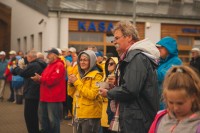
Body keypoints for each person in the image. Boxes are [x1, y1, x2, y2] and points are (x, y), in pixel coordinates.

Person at [99, 20, 160, 133]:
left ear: (129, 37)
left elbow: (130, 90)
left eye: (117, 38)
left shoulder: (136, 57)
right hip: (136, 117)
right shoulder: (134, 57)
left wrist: (109, 93)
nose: (114, 42)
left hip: (137, 120)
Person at [149, 66, 200, 133]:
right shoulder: (160, 119)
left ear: (193, 97)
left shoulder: (197, 125)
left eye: (180, 103)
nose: (175, 108)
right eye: (171, 102)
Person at [68, 50, 104, 133]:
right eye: (80, 60)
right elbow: (71, 94)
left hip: (90, 116)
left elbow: (92, 95)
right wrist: (70, 84)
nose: (82, 62)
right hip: (78, 113)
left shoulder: (97, 75)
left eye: (85, 60)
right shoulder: (79, 74)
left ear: (91, 61)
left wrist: (76, 82)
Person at [31, 48, 66, 133]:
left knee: (53, 121)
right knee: (43, 119)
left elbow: (53, 80)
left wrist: (40, 78)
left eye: (49, 54)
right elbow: (45, 78)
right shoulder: (49, 65)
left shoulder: (59, 65)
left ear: (55, 55)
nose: (47, 56)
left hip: (53, 98)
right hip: (45, 97)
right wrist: (38, 79)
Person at [12, 50, 47, 133]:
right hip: (34, 92)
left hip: (31, 93)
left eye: (26, 57)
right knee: (33, 116)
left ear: (30, 57)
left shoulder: (34, 65)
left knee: (29, 116)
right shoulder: (39, 64)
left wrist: (16, 68)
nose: (25, 59)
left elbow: (23, 73)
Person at [156, 36, 182, 109]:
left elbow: (163, 75)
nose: (158, 49)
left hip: (166, 102)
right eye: (158, 47)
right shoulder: (160, 61)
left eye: (161, 47)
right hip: (157, 100)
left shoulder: (176, 61)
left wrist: (148, 70)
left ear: (169, 49)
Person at [101, 57, 118, 133]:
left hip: (112, 108)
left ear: (116, 65)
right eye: (108, 64)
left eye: (111, 63)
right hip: (104, 109)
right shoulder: (106, 75)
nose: (109, 65)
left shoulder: (116, 76)